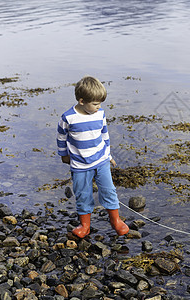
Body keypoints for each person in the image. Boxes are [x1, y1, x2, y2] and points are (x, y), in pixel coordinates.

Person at [57, 75, 129, 238]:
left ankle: (115, 220)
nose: (99, 107)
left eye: (100, 103)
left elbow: (104, 135)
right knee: (83, 194)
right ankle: (85, 225)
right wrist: (64, 155)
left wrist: (109, 155)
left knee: (109, 190)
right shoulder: (68, 118)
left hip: (101, 160)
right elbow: (61, 138)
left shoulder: (100, 114)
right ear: (82, 101)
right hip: (80, 165)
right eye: (95, 104)